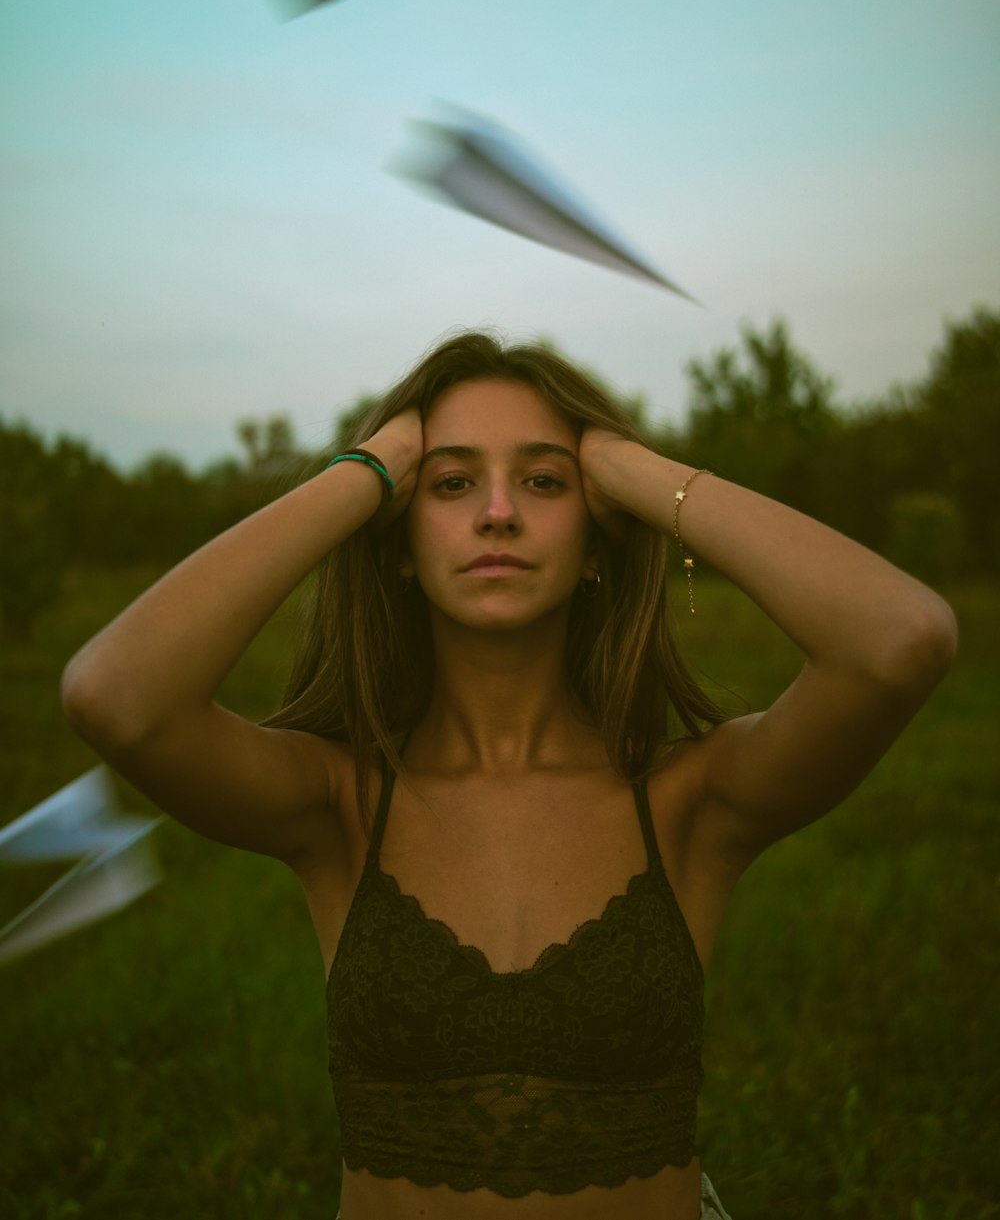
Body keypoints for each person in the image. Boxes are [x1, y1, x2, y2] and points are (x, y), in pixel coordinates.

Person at [61, 329, 957, 1220]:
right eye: (452, 483)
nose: (498, 512)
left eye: (543, 481)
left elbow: (898, 640)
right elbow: (117, 697)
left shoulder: (692, 797)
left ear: (599, 538)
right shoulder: (337, 800)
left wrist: (627, 465)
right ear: (400, 544)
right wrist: (366, 470)